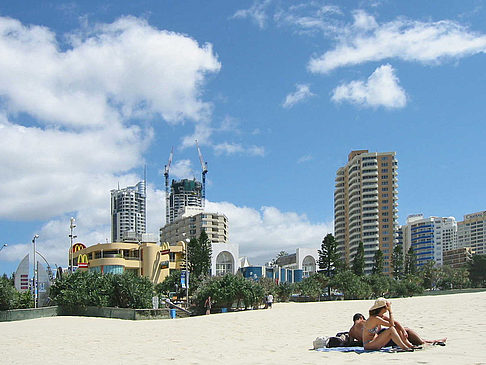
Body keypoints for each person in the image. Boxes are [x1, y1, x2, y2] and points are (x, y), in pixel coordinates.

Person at [349, 312, 445, 346]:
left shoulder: (351, 331)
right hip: (379, 340)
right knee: (405, 330)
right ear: (361, 318)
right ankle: (428, 342)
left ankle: (429, 341)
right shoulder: (366, 322)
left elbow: (350, 343)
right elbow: (376, 331)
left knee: (400, 332)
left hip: (372, 342)